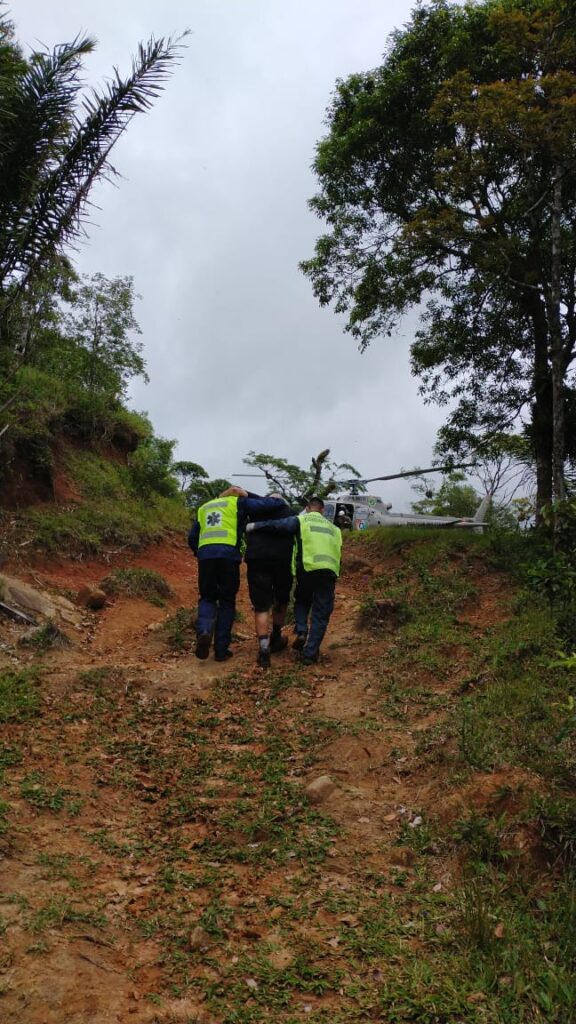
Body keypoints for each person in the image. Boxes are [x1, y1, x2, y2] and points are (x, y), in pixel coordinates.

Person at [188, 487, 286, 662]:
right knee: (226, 601)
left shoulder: (205, 507)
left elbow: (192, 536)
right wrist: (248, 493)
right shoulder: (238, 502)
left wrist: (200, 552)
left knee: (207, 597)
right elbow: (273, 503)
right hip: (228, 556)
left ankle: (203, 631)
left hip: (206, 557)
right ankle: (220, 650)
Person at [246, 496, 342, 665]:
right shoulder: (335, 529)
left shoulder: (302, 520)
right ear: (323, 510)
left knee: (302, 601)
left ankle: (302, 631)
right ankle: (310, 654)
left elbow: (278, 525)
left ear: (308, 507)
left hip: (308, 569)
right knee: (321, 614)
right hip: (329, 573)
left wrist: (254, 526)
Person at [245, 492, 294, 669]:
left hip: (257, 560)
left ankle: (264, 649)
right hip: (282, 561)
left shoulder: (255, 511)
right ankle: (276, 637)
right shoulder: (289, 512)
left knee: (261, 606)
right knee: (281, 599)